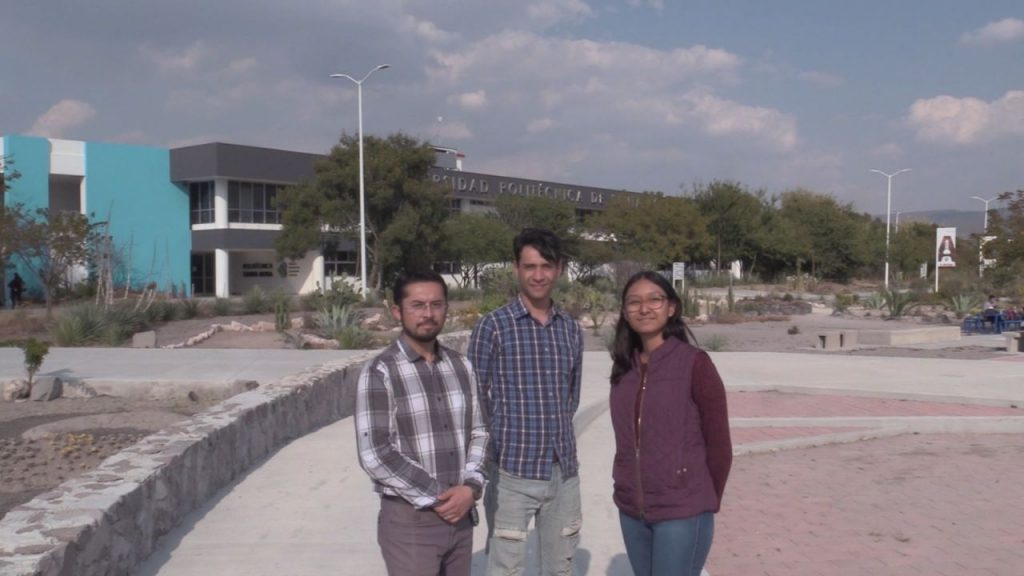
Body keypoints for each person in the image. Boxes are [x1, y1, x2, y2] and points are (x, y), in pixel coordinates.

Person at [355, 269, 488, 576]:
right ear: (397, 311)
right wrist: (441, 496)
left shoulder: (461, 366)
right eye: (417, 305)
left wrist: (470, 487)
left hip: (461, 518)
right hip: (411, 523)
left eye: (436, 304)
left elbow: (481, 431)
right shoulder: (380, 372)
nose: (428, 314)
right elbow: (375, 453)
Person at [468, 228, 584, 576]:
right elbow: (475, 399)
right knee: (505, 568)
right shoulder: (493, 327)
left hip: (563, 473)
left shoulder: (571, 329)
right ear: (516, 268)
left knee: (560, 568)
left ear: (559, 269)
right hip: (512, 474)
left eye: (546, 266)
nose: (538, 275)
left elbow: (571, 396)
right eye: (530, 266)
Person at [608, 271, 732, 576]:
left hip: (681, 510)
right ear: (625, 311)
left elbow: (719, 445)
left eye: (654, 300)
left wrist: (701, 499)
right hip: (632, 510)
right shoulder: (624, 368)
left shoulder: (694, 363)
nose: (644, 309)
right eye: (634, 302)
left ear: (671, 307)